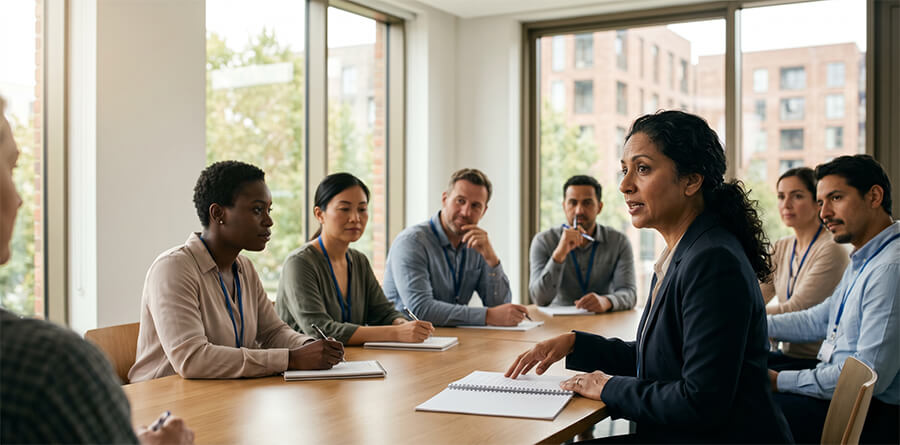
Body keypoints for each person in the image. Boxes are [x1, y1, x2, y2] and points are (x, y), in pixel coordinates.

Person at [506, 111, 792, 443]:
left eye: (642, 169)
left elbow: (700, 402)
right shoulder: (686, 250)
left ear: (691, 180)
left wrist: (608, 385)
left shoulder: (713, 261)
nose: (625, 185)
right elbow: (660, 359)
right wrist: (575, 343)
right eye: (624, 170)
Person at [0, 96, 193, 444]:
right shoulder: (47, 368)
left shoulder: (245, 270)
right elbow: (193, 358)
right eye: (11, 168)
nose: (18, 199)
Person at [129, 161, 344, 382]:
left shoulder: (244, 268)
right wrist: (291, 359)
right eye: (257, 210)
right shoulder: (173, 269)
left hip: (223, 395)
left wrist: (311, 347)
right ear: (218, 213)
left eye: (268, 210)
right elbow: (192, 359)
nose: (269, 221)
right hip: (164, 403)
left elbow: (272, 333)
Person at [768, 155, 898, 444]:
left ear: (874, 196)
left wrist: (779, 381)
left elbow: (867, 378)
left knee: (750, 412)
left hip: (869, 414)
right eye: (820, 202)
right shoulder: (865, 257)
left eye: (836, 198)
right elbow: (821, 317)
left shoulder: (891, 268)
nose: (824, 213)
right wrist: (755, 324)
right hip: (837, 388)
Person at [276, 173, 434, 344]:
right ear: (319, 214)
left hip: (349, 362)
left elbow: (384, 313)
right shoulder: (299, 263)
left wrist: (402, 324)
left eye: (362, 209)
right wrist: (396, 333)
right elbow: (320, 330)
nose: (355, 218)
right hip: (302, 366)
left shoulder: (359, 261)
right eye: (344, 209)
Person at [383, 168, 528, 326]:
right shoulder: (412, 242)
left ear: (484, 211)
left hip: (450, 338)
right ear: (445, 199)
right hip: (406, 343)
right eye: (460, 201)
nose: (466, 212)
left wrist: (492, 259)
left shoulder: (476, 244)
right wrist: (487, 316)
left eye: (475, 206)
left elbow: (502, 309)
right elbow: (420, 309)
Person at [760, 167, 849, 371]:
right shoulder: (781, 246)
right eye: (781, 197)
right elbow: (755, 297)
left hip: (817, 362)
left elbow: (795, 309)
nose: (786, 205)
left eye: (797, 196)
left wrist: (739, 316)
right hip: (786, 354)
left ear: (817, 201)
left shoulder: (832, 248)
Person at [529, 175, 636, 312]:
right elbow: (539, 299)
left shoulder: (619, 242)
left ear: (599, 207)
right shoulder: (543, 241)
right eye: (573, 203)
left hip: (602, 321)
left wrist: (607, 301)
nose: (579, 210)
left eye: (587, 203)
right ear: (564, 206)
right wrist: (559, 254)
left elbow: (629, 293)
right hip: (556, 323)